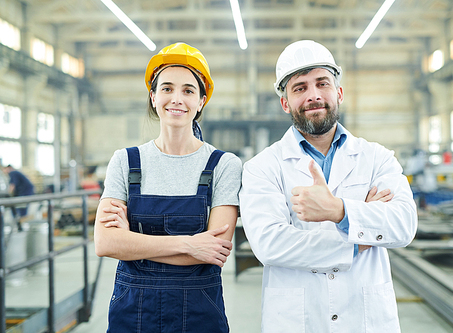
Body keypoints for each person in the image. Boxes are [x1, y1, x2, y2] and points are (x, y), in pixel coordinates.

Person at [239, 40, 418, 333]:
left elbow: (404, 224)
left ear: (339, 92)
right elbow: (270, 245)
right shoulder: (262, 167)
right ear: (285, 103)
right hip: (296, 320)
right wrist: (360, 239)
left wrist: (340, 211)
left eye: (322, 83)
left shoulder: (376, 157)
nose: (313, 95)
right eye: (300, 88)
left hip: (366, 318)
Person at [94, 42, 242, 333]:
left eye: (188, 90)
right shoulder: (125, 161)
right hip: (133, 311)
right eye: (167, 88)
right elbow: (106, 243)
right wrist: (189, 244)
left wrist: (132, 242)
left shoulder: (224, 165)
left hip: (200, 313)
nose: (177, 98)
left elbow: (215, 251)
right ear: (153, 97)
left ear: (201, 101)